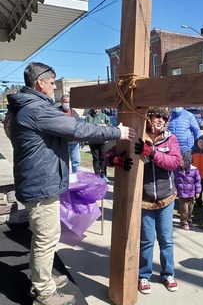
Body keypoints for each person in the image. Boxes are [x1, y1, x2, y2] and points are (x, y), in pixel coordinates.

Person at [5, 62, 136, 305]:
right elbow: (76, 128)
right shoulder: (36, 110)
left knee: (44, 236)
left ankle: (43, 279)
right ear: (39, 83)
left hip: (38, 181)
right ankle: (43, 290)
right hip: (40, 185)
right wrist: (116, 132)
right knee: (46, 237)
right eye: (52, 82)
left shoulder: (23, 107)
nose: (55, 87)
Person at [134, 107, 181, 295]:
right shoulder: (139, 135)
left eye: (164, 117)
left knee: (166, 240)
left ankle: (168, 273)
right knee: (146, 241)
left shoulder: (171, 139)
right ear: (149, 117)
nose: (160, 120)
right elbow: (116, 151)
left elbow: (174, 162)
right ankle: (144, 275)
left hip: (165, 198)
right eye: (157, 116)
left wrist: (151, 152)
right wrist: (113, 158)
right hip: (144, 198)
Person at [174, 151, 202, 230]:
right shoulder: (177, 170)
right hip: (182, 193)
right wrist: (175, 189)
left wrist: (197, 191)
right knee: (184, 209)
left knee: (190, 208)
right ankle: (184, 222)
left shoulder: (194, 171)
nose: (179, 161)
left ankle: (189, 219)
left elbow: (197, 181)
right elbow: (174, 179)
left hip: (191, 193)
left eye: (181, 160)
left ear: (186, 161)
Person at [85, 108, 111, 180]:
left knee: (103, 157)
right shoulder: (88, 117)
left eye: (98, 108)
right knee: (96, 158)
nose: (97, 110)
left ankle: (103, 174)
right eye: (95, 108)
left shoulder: (105, 116)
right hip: (93, 141)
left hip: (103, 141)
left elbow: (109, 127)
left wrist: (105, 127)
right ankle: (97, 174)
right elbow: (85, 128)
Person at [59, 94, 81, 172]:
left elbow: (79, 127)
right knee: (64, 164)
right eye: (65, 102)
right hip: (63, 143)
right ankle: (65, 181)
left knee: (76, 162)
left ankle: (76, 180)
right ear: (61, 102)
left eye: (68, 102)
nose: (67, 104)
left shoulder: (74, 113)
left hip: (75, 143)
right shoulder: (57, 113)